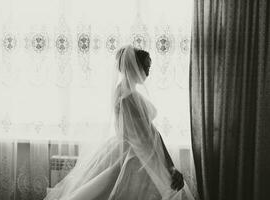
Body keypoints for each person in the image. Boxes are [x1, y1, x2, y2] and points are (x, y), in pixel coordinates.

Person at [44, 45, 194, 200]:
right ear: (135, 67)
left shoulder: (122, 91)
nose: (148, 73)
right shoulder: (129, 97)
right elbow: (150, 134)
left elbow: (147, 132)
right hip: (137, 155)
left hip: (123, 148)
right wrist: (169, 166)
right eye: (146, 67)